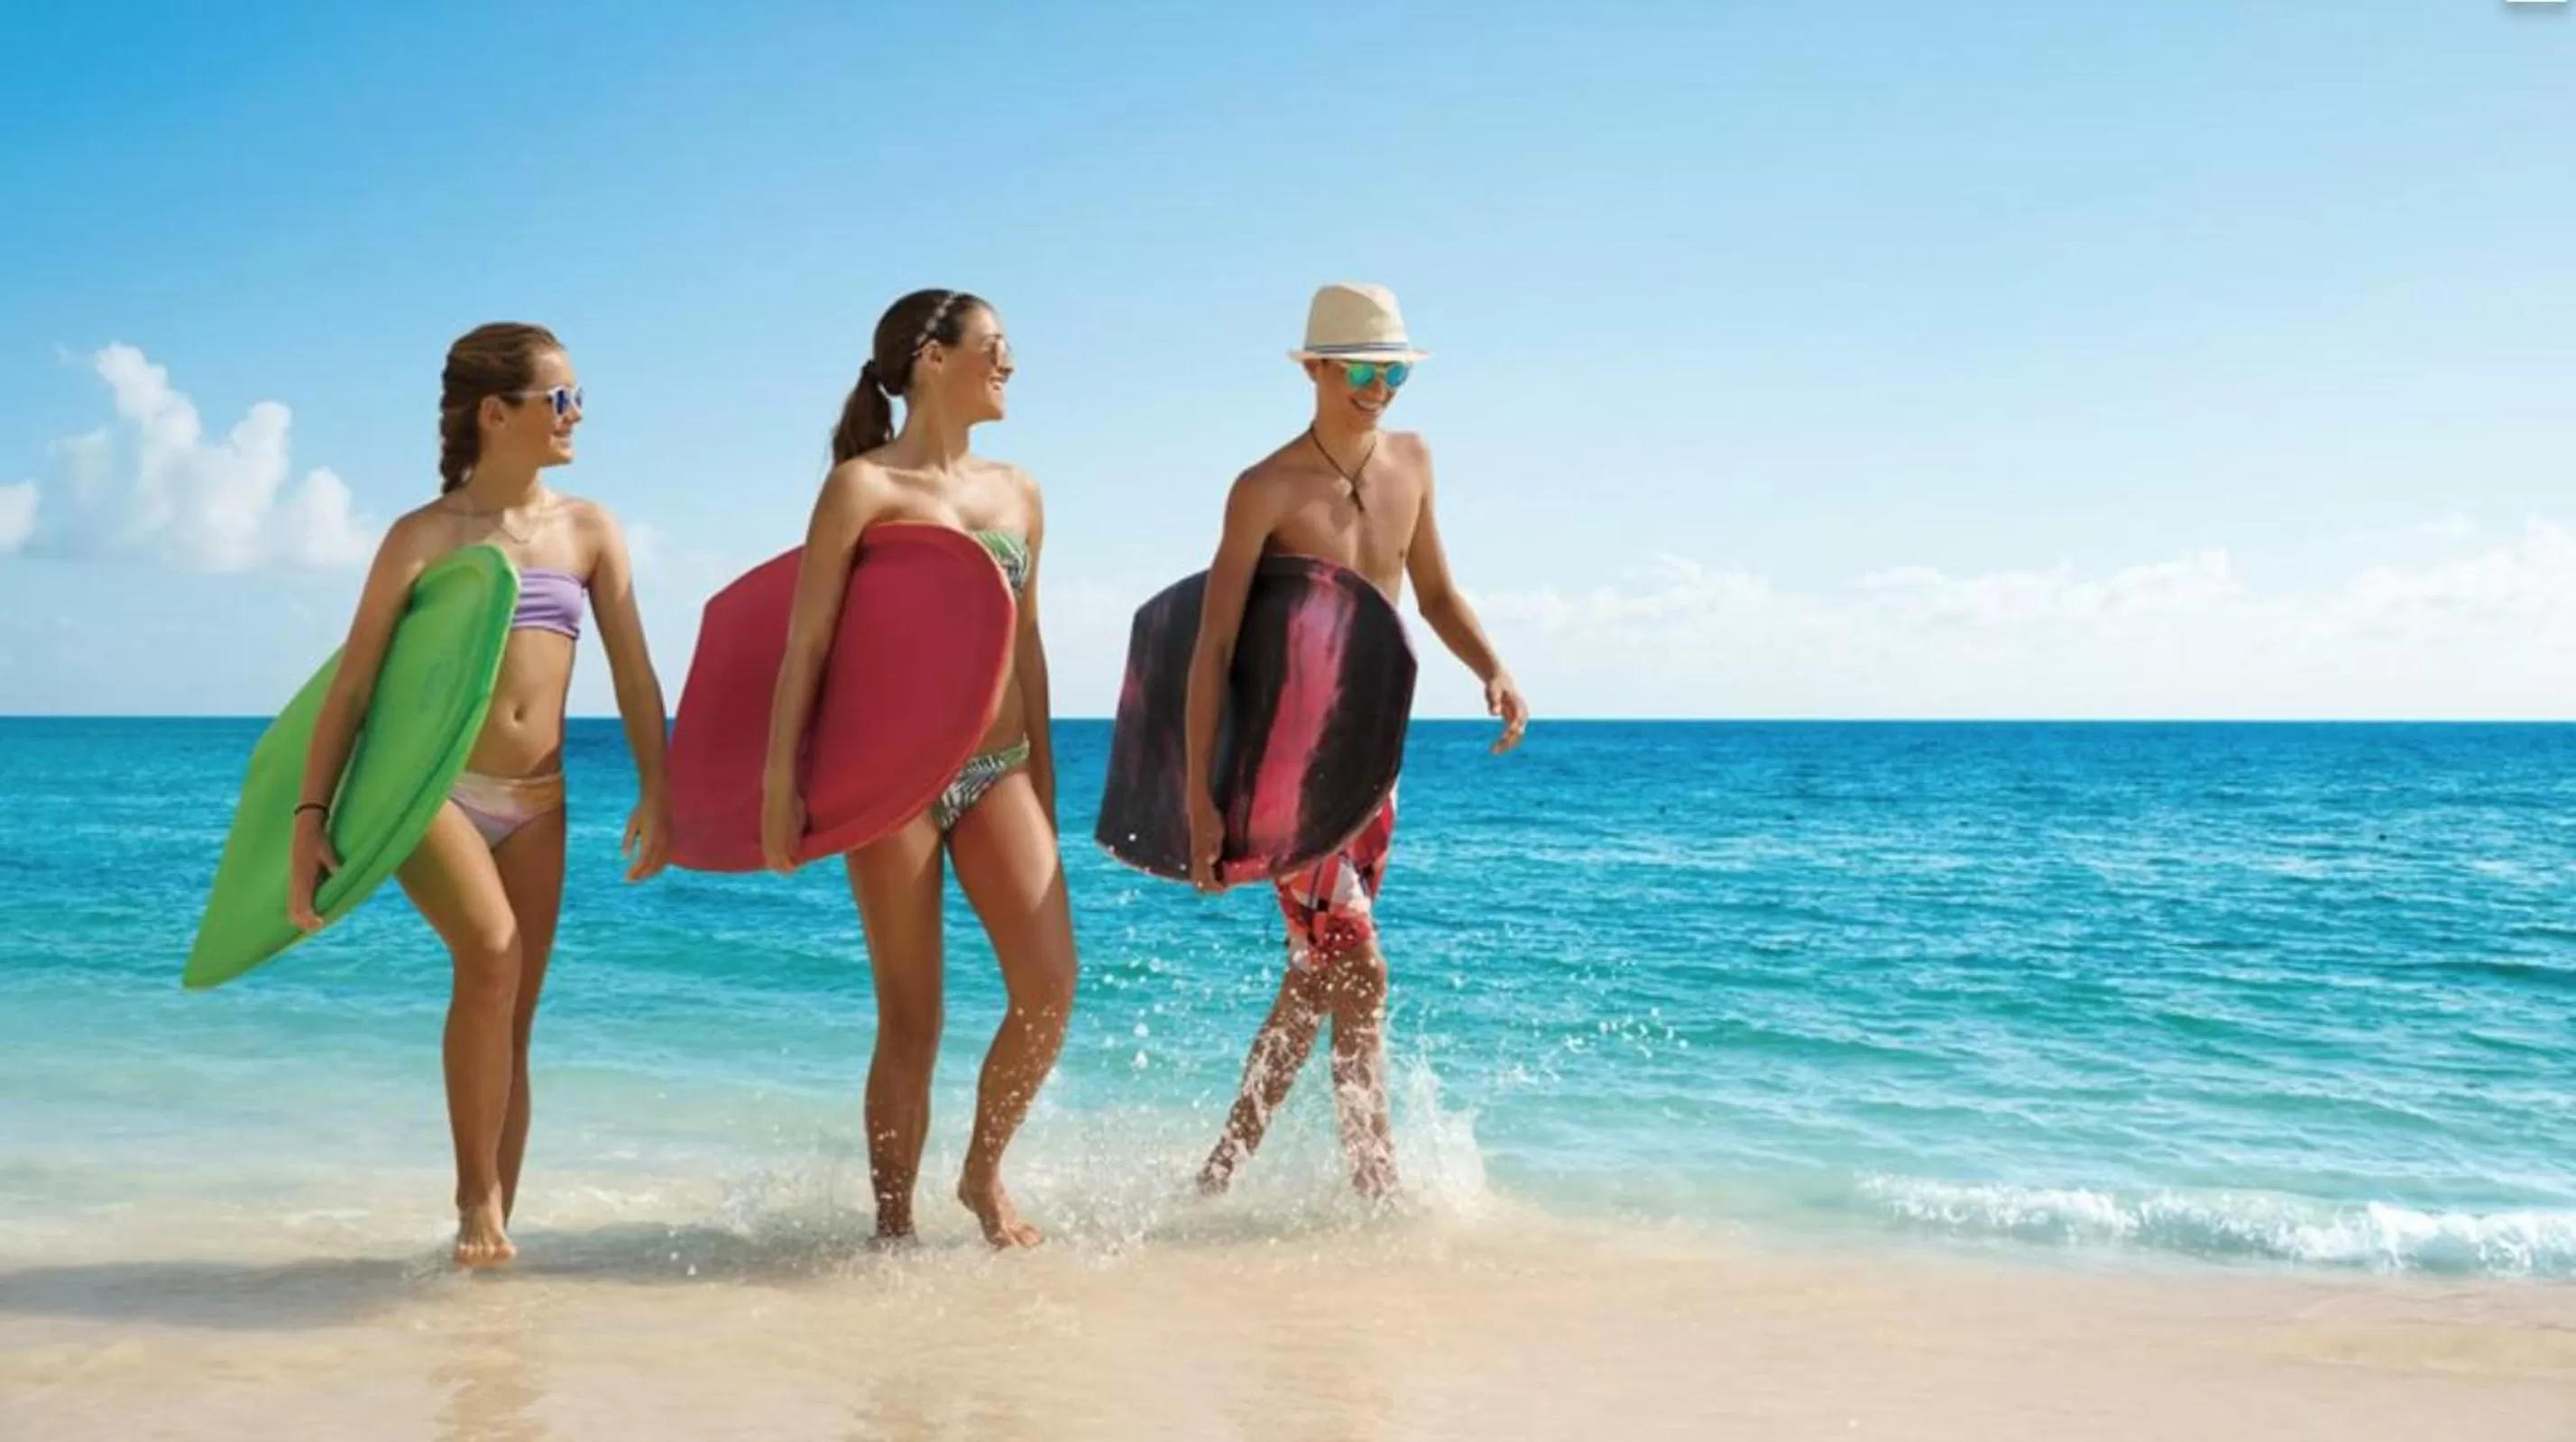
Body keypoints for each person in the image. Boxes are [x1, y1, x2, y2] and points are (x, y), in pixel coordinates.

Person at [287, 322, 674, 1267]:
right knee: (491, 954)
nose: (576, 415)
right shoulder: (423, 537)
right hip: (438, 793)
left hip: (541, 800)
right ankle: (475, 1201)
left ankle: (494, 1246)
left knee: (516, 1017)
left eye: (579, 398)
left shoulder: (589, 530)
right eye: (561, 398)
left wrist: (658, 790)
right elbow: (354, 686)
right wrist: (309, 817)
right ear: (497, 413)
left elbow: (634, 676)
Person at [1189, 282, 1529, 1200]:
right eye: (1363, 372)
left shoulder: (1411, 462)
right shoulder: (1265, 488)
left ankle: (1216, 1177)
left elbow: (1435, 592)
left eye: (1395, 374)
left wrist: (1492, 668)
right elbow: (1213, 644)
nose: (1380, 390)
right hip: (1289, 765)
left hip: (1377, 759)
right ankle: (1378, 1190)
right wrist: (1199, 797)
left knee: (1319, 974)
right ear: (1314, 368)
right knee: (1362, 969)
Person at [759, 289, 1078, 1249]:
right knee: (912, 1018)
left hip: (997, 768)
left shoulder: (1019, 492)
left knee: (1049, 986)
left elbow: (1027, 645)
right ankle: (892, 1227)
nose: (1009, 362)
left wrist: (1044, 782)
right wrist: (780, 788)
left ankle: (982, 1174)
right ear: (933, 359)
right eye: (994, 345)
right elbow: (808, 644)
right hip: (893, 779)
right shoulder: (861, 488)